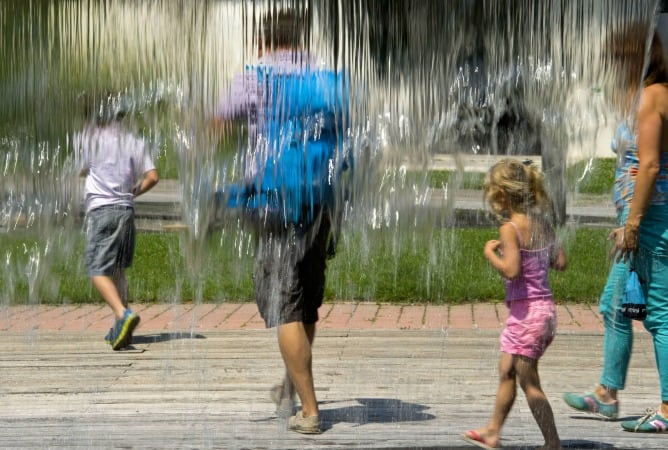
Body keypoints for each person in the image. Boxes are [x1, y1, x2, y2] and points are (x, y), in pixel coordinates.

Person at [212, 8, 350, 434]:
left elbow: (215, 126)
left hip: (274, 204)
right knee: (305, 300)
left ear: (263, 40)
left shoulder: (255, 79)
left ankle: (309, 410)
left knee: (285, 305)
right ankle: (293, 388)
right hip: (320, 204)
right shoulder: (326, 80)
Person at [563, 26, 668, 433]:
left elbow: (652, 165)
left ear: (633, 59)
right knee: (615, 304)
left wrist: (633, 224)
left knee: (660, 315)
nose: (609, 68)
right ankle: (606, 394)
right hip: (639, 223)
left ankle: (665, 408)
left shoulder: (654, 95)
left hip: (652, 224)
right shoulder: (642, 96)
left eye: (616, 60)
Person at [462, 158, 567, 450]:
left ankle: (553, 442)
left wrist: (490, 255)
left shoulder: (510, 228)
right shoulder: (542, 223)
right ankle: (493, 432)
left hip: (528, 316)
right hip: (543, 312)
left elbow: (511, 270)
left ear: (502, 196)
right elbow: (560, 261)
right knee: (507, 369)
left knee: (529, 382)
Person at [74, 93, 159, 351]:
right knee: (118, 269)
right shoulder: (134, 141)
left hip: (102, 211)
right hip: (126, 210)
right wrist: (131, 192)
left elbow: (80, 168)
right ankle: (121, 331)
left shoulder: (89, 138)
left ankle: (123, 314)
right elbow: (153, 177)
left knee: (97, 268)